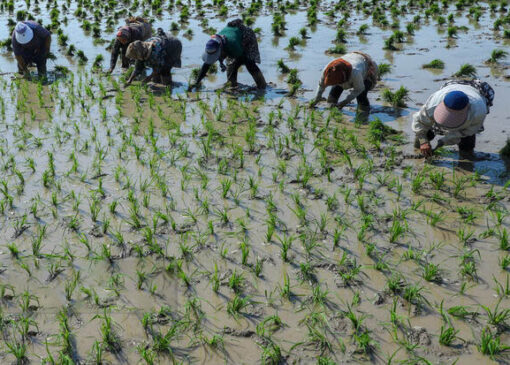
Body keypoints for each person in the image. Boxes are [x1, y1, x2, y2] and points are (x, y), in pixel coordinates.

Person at [412, 79, 495, 157]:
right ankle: (418, 149)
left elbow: (465, 132)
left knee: (466, 143)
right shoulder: (433, 104)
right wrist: (423, 141)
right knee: (424, 134)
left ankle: (467, 155)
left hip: (475, 90)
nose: (448, 121)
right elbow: (420, 121)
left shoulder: (478, 112)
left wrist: (443, 142)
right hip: (451, 87)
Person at [188, 19, 266, 90]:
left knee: (248, 62)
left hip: (246, 36)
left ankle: (262, 85)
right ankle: (232, 84)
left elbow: (241, 58)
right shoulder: (214, 44)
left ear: (221, 50)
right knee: (231, 65)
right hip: (231, 40)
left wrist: (236, 62)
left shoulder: (232, 46)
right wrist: (196, 82)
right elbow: (206, 65)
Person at [311, 51, 378, 109]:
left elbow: (359, 89)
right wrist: (316, 99)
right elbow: (321, 85)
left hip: (368, 69)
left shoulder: (355, 72)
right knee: (335, 90)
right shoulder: (328, 70)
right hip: (351, 59)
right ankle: (331, 106)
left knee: (361, 95)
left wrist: (344, 102)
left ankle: (364, 112)